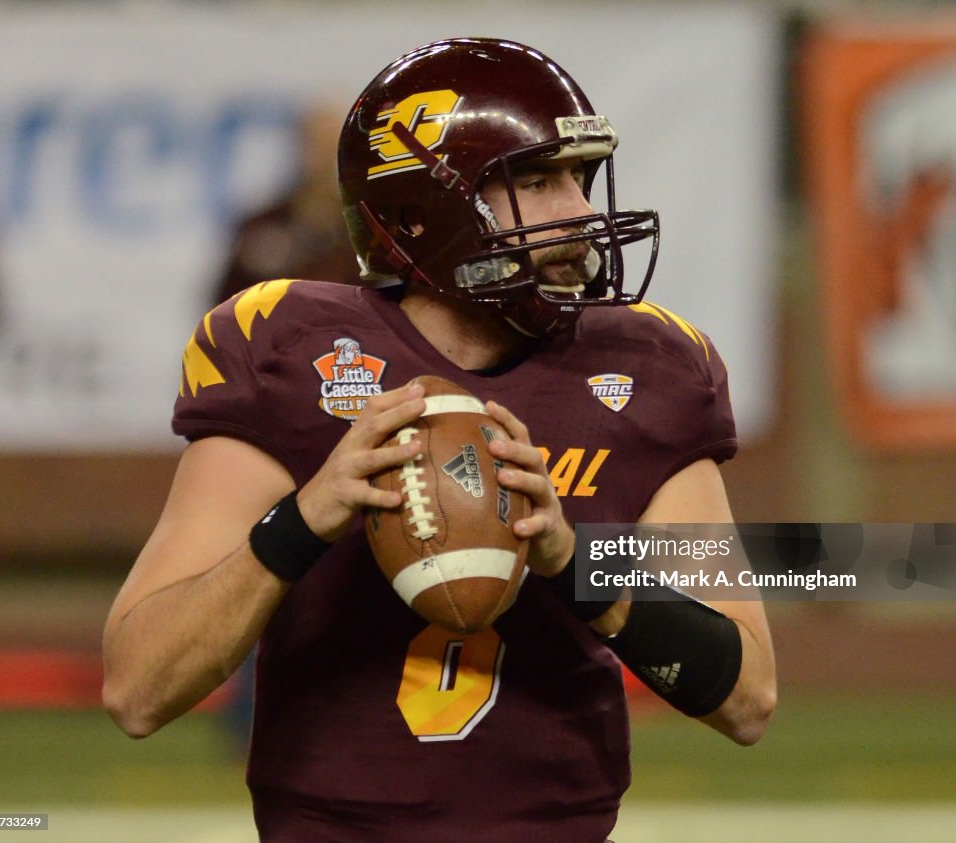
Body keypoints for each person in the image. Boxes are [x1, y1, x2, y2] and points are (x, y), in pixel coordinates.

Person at [103, 38, 776, 843]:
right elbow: (137, 688)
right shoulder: (287, 353)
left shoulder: (649, 368)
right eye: (537, 180)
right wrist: (309, 514)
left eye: (578, 178)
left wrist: (575, 559)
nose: (581, 212)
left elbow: (748, 697)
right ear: (426, 210)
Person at [211, 101, 358, 306]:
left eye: (332, 143)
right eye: (317, 142)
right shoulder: (262, 226)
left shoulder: (368, 230)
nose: (325, 155)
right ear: (299, 145)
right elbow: (223, 310)